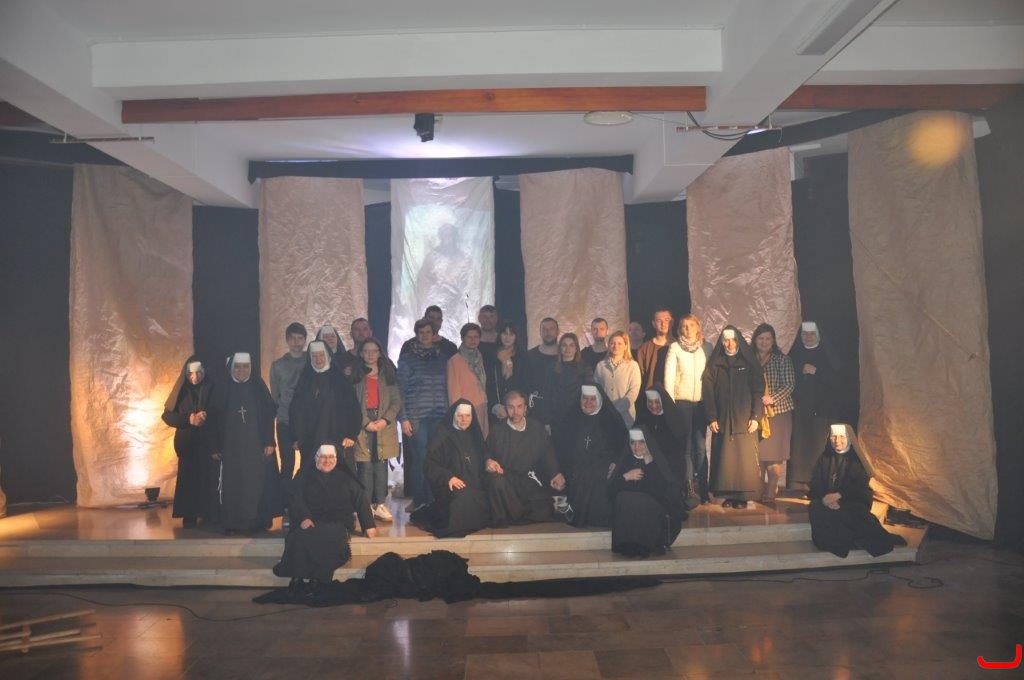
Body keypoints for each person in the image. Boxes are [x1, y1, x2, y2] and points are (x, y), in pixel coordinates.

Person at [273, 444, 377, 597]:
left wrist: (368, 525)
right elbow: (296, 499)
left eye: (331, 457)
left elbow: (360, 498)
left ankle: (318, 579)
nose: (327, 461)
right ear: (316, 458)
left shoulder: (346, 477)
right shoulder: (305, 477)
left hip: (338, 522)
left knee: (327, 535)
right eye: (323, 457)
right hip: (311, 520)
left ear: (336, 459)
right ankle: (298, 578)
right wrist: (304, 517)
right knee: (300, 536)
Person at [809, 424, 906, 558]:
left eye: (842, 437)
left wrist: (838, 496)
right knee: (815, 507)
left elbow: (859, 486)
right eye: (834, 436)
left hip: (851, 498)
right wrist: (824, 498)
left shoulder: (857, 460)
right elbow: (815, 482)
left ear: (849, 438)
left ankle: (854, 541)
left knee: (851, 511)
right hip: (827, 500)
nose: (837, 441)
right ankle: (835, 544)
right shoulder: (824, 458)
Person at [214, 352, 280, 534]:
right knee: (234, 484)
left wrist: (269, 441)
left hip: (255, 447)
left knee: (256, 483)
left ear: (251, 368)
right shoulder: (223, 389)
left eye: (245, 367)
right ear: (231, 368)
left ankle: (257, 521)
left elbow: (268, 416)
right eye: (237, 367)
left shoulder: (258, 387)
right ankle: (234, 522)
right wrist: (216, 446)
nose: (241, 371)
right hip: (231, 448)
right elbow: (214, 420)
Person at [484, 391, 566, 526]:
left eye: (519, 407)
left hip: (529, 480)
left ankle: (517, 513)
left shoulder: (537, 428)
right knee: (496, 482)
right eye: (511, 407)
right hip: (507, 481)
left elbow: (547, 453)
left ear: (525, 408)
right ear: (505, 409)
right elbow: (486, 452)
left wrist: (555, 473)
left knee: (545, 508)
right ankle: (514, 514)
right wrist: (488, 461)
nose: (515, 412)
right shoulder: (497, 430)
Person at [702, 326, 764, 503]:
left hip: (744, 419)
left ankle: (742, 497)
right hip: (721, 419)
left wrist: (756, 416)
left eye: (733, 340)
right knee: (725, 460)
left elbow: (758, 391)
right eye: (726, 340)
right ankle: (727, 495)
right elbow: (708, 393)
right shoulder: (715, 364)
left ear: (739, 341)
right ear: (722, 342)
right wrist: (711, 417)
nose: (730, 344)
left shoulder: (749, 363)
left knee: (743, 459)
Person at [414, 400, 492, 537]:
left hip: (474, 483)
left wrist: (488, 461)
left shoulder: (474, 434)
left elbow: (484, 453)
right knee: (465, 497)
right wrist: (448, 477)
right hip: (450, 486)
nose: (464, 420)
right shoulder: (442, 435)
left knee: (493, 490)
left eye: (467, 416)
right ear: (453, 416)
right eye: (460, 416)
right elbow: (429, 465)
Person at [398, 318, 450, 511]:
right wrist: (403, 418)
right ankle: (419, 499)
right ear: (416, 335)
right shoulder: (407, 359)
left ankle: (434, 500)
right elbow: (399, 390)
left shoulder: (443, 358)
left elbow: (448, 387)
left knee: (435, 458)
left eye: (428, 332)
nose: (425, 336)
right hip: (416, 417)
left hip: (439, 415)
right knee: (420, 458)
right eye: (421, 333)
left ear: (434, 334)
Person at [610, 427, 686, 557]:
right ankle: (627, 545)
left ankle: (644, 545)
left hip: (651, 507)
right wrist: (625, 477)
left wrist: (649, 464)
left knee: (639, 501)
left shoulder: (657, 461)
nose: (636, 447)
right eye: (633, 443)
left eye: (641, 442)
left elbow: (662, 491)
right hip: (629, 508)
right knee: (624, 498)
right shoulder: (625, 460)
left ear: (647, 443)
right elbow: (611, 490)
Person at [161, 356, 218, 527]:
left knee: (208, 479)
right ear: (186, 373)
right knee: (189, 480)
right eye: (191, 373)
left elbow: (220, 413)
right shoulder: (181, 390)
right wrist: (189, 419)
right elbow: (167, 416)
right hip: (188, 444)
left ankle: (208, 513)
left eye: (199, 372)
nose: (195, 377)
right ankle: (189, 514)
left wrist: (207, 416)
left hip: (208, 443)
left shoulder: (212, 388)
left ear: (204, 371)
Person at [289, 341, 361, 474]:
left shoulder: (340, 379)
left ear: (327, 355)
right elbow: (295, 410)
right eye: (314, 356)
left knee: (339, 475)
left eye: (321, 355)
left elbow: (353, 408)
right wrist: (295, 437)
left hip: (338, 436)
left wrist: (352, 434)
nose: (318, 359)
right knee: (311, 474)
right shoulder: (305, 380)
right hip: (310, 438)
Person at [664, 314, 714, 502]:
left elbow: (711, 376)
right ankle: (689, 487)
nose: (688, 329)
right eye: (684, 326)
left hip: (701, 404)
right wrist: (670, 405)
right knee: (685, 447)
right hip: (681, 403)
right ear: (680, 329)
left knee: (700, 446)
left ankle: (704, 486)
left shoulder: (706, 348)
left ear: (697, 327)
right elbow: (669, 377)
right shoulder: (675, 348)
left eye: (691, 325)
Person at [352, 337, 402, 523]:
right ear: (361, 353)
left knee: (380, 464)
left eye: (374, 351)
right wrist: (366, 422)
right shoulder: (355, 375)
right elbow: (352, 402)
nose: (370, 355)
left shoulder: (388, 374)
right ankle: (365, 506)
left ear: (380, 353)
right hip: (362, 423)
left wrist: (385, 420)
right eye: (366, 351)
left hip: (384, 423)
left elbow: (396, 401)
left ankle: (380, 503)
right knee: (365, 465)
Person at [788, 321, 842, 490]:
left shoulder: (829, 355)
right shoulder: (794, 354)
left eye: (812, 334)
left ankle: (817, 484)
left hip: (823, 410)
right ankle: (797, 482)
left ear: (818, 336)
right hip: (800, 410)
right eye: (805, 334)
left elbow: (838, 382)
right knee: (799, 448)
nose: (808, 337)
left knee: (817, 448)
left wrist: (817, 372)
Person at [564, 385, 624, 527]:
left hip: (603, 464)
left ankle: (597, 519)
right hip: (577, 466)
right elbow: (563, 448)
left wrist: (615, 462)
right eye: (585, 399)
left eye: (592, 399)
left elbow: (622, 445)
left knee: (595, 475)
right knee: (582, 474)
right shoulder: (571, 419)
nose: (588, 403)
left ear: (599, 400)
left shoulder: (611, 420)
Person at [635, 386, 700, 509]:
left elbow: (678, 454)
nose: (653, 406)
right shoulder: (643, 418)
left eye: (657, 402)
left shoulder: (674, 420)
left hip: (668, 468)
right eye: (650, 402)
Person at [752, 323, 795, 504]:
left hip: (778, 414)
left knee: (774, 457)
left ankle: (771, 489)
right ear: (755, 340)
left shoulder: (782, 359)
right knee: (759, 456)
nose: (764, 342)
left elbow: (789, 385)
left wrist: (772, 398)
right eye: (761, 338)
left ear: (773, 340)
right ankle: (758, 488)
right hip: (756, 414)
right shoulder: (749, 359)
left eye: (768, 338)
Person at [538, 332, 593, 472]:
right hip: (556, 420)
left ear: (576, 348)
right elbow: (546, 395)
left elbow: (589, 396)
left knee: (575, 457)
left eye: (571, 345)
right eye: (564, 345)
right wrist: (546, 421)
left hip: (577, 419)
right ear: (560, 348)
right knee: (558, 456)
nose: (567, 349)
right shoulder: (552, 367)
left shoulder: (585, 368)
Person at [270, 322, 307, 485]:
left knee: (309, 462)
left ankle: (303, 497)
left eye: (300, 338)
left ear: (305, 340)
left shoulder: (311, 361)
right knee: (287, 465)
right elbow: (275, 396)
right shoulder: (278, 365)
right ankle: (285, 498)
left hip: (306, 421)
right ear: (287, 340)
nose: (296, 342)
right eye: (293, 338)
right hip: (285, 420)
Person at [447, 323, 490, 439]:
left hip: (481, 406)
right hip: (465, 410)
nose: (473, 340)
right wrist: (459, 413)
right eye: (469, 337)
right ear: (462, 338)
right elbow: (453, 392)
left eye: (476, 337)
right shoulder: (455, 361)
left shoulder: (480, 358)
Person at [593, 330, 642, 428]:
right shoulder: (600, 366)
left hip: (626, 417)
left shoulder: (633, 366)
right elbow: (596, 390)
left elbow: (633, 392)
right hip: (604, 415)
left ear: (625, 346)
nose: (615, 346)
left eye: (619, 343)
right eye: (612, 343)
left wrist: (616, 410)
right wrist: (605, 409)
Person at [483, 319, 525, 424]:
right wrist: (494, 406)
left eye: (511, 334)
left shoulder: (522, 357)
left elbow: (526, 384)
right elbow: (487, 383)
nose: (507, 337)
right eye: (504, 333)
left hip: (516, 410)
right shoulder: (491, 356)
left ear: (516, 337)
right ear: (500, 335)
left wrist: (515, 407)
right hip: (497, 409)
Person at [525, 317, 561, 406]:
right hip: (535, 407)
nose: (548, 332)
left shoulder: (566, 356)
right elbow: (524, 383)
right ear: (540, 332)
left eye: (551, 329)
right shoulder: (529, 356)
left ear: (558, 332)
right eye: (544, 329)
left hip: (560, 407)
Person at [635, 308, 673, 392]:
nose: (663, 324)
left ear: (672, 322)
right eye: (659, 320)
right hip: (652, 395)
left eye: (667, 320)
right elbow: (640, 375)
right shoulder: (644, 348)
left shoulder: (678, 347)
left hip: (675, 395)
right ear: (653, 324)